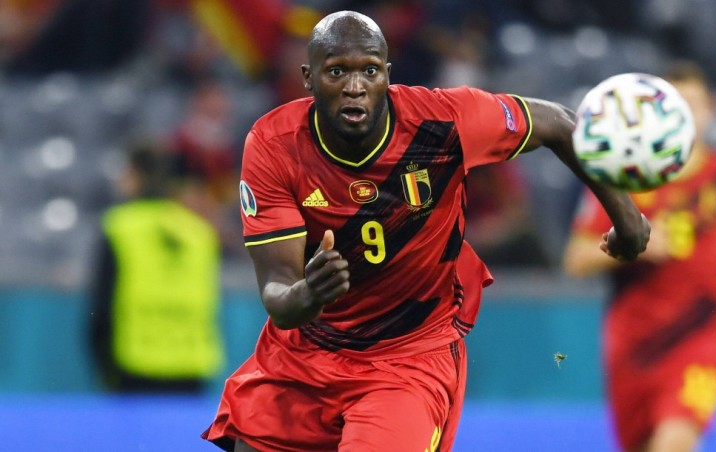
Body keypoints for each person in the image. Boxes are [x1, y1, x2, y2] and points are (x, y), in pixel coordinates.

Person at [202, 10, 649, 452]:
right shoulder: (274, 145)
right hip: (306, 354)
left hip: (408, 359)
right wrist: (309, 293)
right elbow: (279, 293)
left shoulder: (443, 121)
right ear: (308, 77)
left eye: (369, 71)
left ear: (387, 74)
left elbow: (560, 124)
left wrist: (626, 219)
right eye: (337, 71)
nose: (355, 87)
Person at [562, 61, 716, 452]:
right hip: (633, 345)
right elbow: (576, 258)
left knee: (674, 441)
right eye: (677, 104)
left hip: (703, 337)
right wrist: (633, 244)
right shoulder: (622, 180)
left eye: (695, 104)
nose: (689, 115)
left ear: (711, 110)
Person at [90, 140, 224, 393]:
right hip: (191, 367)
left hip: (134, 366)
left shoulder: (119, 227)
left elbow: (102, 309)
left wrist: (104, 368)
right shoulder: (200, 233)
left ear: (136, 175)